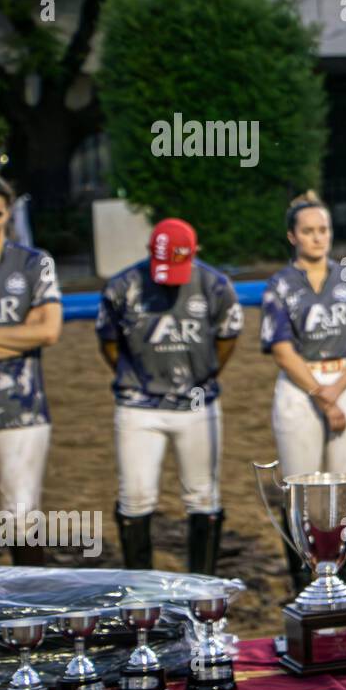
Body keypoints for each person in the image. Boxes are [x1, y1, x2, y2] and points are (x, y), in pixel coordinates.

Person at [96, 219, 243, 573]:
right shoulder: (122, 286)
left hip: (197, 403)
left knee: (203, 495)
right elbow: (109, 342)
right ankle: (140, 594)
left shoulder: (215, 285)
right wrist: (140, 379)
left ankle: (203, 590)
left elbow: (228, 337)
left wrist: (202, 377)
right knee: (135, 496)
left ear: (195, 254)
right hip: (138, 405)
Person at [261, 193, 346, 591]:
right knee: (301, 490)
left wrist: (336, 389)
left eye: (324, 230)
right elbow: (281, 348)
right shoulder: (279, 284)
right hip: (301, 387)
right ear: (292, 236)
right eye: (309, 231)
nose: (319, 238)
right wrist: (320, 393)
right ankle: (305, 585)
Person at [0, 178, 63, 566]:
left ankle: (30, 615)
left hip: (22, 411)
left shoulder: (33, 262)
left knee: (22, 516)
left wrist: (32, 332)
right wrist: (18, 335)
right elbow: (33, 330)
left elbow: (49, 330)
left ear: (7, 214)